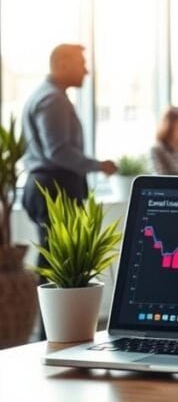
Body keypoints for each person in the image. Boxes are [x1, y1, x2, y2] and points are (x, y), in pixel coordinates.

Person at [21, 44, 118, 269]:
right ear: (63, 65)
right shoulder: (52, 99)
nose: (86, 71)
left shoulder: (44, 95)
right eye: (81, 64)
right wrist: (98, 165)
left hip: (48, 185)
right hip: (55, 187)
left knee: (56, 258)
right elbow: (57, 151)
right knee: (59, 263)